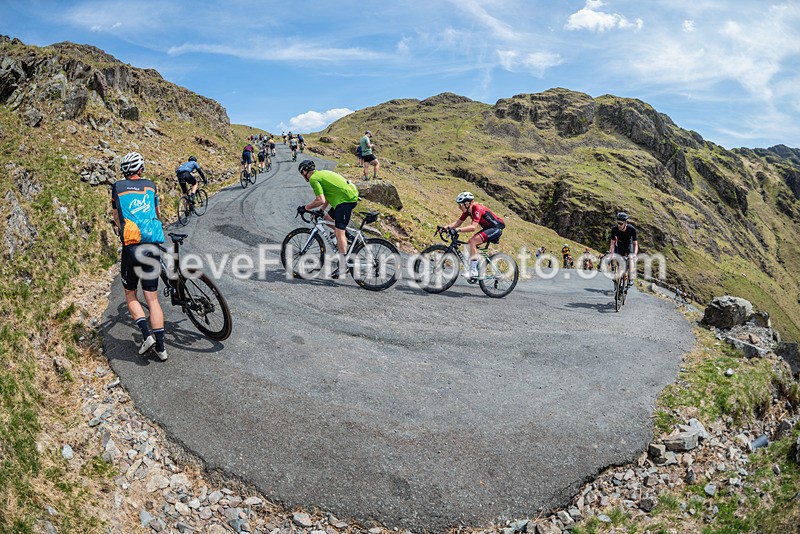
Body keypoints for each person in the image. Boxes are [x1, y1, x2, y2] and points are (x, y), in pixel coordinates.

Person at [111, 152, 168, 361]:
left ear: (124, 171)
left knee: (130, 293)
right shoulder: (151, 185)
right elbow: (158, 213)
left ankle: (146, 335)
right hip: (152, 245)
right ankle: (161, 348)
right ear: (141, 169)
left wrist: (121, 228)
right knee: (152, 298)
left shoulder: (117, 187)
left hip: (132, 247)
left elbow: (117, 215)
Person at [297, 160, 359, 277]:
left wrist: (305, 208)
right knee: (327, 217)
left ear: (304, 171)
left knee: (338, 232)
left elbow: (320, 200)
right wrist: (320, 210)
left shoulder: (314, 179)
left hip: (345, 200)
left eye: (302, 173)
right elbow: (328, 196)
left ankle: (343, 265)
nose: (302, 176)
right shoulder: (321, 174)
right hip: (346, 196)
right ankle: (349, 237)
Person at [444, 192, 505, 278]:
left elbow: (473, 227)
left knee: (472, 242)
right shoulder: (467, 211)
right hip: (488, 228)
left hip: (496, 228)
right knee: (471, 244)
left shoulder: (477, 208)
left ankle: (473, 271)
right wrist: (445, 228)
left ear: (467, 204)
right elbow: (458, 223)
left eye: (460, 205)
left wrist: (458, 230)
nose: (459, 207)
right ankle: (476, 264)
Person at [609, 212, 639, 288]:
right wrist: (612, 254)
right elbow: (612, 243)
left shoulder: (632, 229)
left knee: (630, 258)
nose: (619, 225)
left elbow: (635, 244)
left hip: (629, 245)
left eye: (621, 224)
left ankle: (631, 277)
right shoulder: (614, 229)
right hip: (620, 245)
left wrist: (635, 254)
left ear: (626, 223)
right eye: (618, 223)